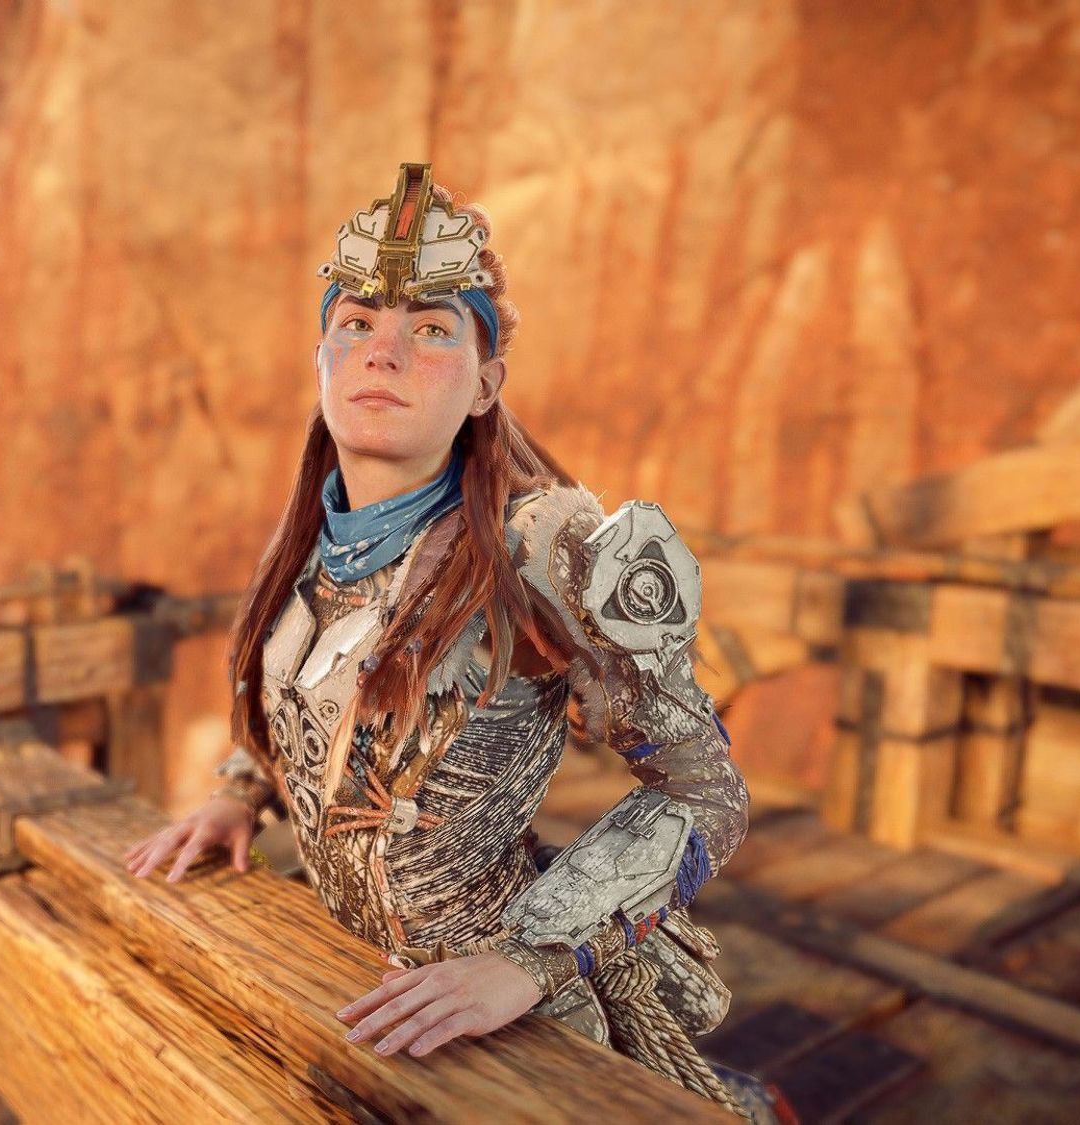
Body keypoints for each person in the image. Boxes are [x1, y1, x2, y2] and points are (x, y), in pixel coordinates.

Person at [122, 164, 789, 1122]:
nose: (380, 353)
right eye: (355, 324)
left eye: (430, 330)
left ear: (485, 385)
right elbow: (317, 698)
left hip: (503, 1006)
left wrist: (528, 962)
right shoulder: (309, 535)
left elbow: (706, 790)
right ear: (321, 362)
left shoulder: (545, 549)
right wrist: (242, 791)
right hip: (343, 971)